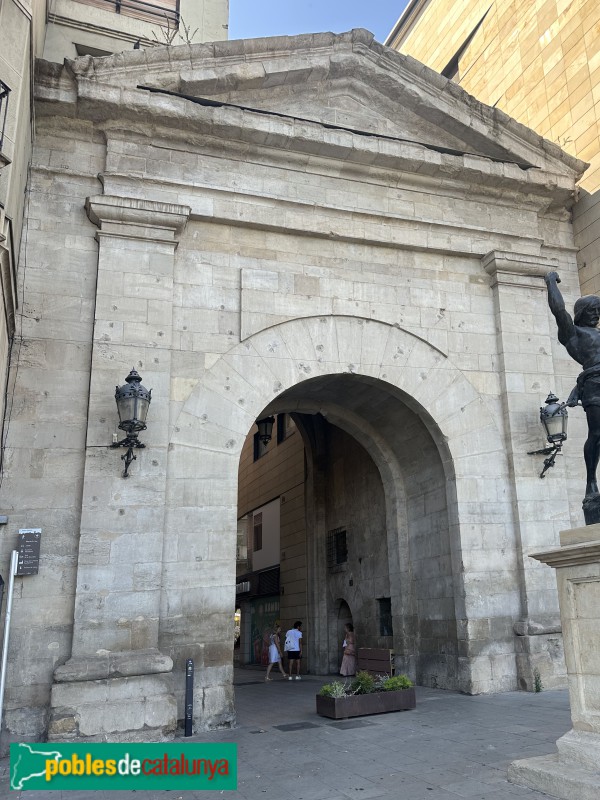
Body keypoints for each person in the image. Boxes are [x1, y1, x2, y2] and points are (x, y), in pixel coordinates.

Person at [545, 271, 600, 496]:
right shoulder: (574, 334)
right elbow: (559, 311)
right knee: (597, 433)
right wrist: (550, 282)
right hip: (594, 382)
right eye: (592, 311)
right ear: (582, 313)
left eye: (598, 311)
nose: (596, 315)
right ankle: (590, 482)